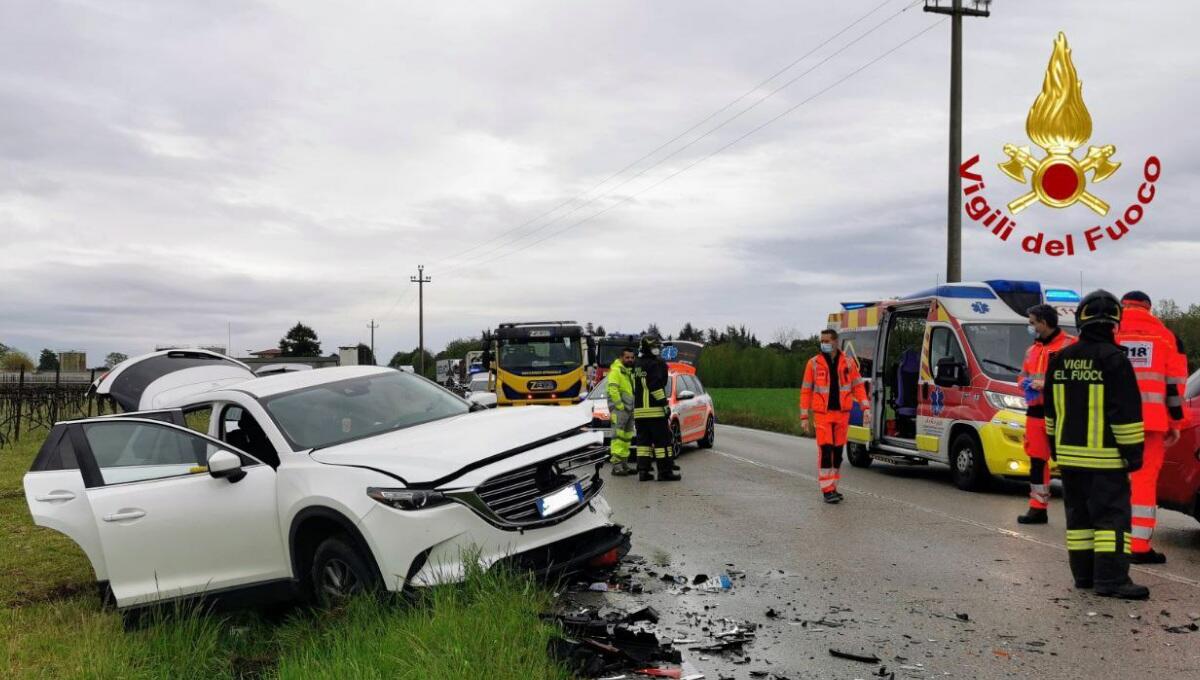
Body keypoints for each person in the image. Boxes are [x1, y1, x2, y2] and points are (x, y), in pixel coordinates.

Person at [1044, 290, 1148, 599]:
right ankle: (1112, 581)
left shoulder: (1060, 358)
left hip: (1069, 458)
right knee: (1111, 521)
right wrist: (1134, 455)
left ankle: (1085, 577)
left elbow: (1050, 412)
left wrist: (1054, 449)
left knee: (1079, 520)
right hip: (1105, 459)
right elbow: (1125, 414)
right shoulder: (1115, 360)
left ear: (1081, 321)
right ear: (1115, 322)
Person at [1116, 291, 1192, 563]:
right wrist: (1176, 422)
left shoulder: (1107, 332)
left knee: (1108, 481)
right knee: (1143, 482)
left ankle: (1106, 543)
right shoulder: (1167, 338)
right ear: (1149, 308)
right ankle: (1137, 545)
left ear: (1122, 305)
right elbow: (1175, 387)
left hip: (1108, 423)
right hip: (1150, 424)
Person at [1017, 304, 1076, 524]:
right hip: (1035, 411)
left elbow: (1078, 379)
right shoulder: (1032, 350)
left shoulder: (1071, 345)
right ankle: (1037, 507)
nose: (1030, 326)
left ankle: (1076, 510)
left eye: (1032, 322)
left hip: (1062, 412)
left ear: (1044, 322)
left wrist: (1047, 384)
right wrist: (1026, 384)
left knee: (1069, 462)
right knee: (1037, 461)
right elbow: (1021, 375)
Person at [800, 329, 869, 504]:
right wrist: (804, 417)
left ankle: (834, 486)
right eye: (822, 340)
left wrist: (865, 407)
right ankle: (827, 489)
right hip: (822, 414)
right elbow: (806, 390)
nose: (823, 343)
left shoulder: (848, 362)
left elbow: (858, 386)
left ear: (835, 342)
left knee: (837, 453)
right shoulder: (813, 363)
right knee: (826, 450)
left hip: (842, 414)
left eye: (826, 340)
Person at [632, 336, 680, 482]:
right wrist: (664, 405)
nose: (657, 349)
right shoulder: (656, 364)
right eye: (655, 346)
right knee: (662, 443)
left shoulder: (637, 364)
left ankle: (643, 471)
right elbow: (656, 386)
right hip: (654, 411)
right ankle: (665, 472)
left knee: (643, 443)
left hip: (640, 411)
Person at [606, 347, 637, 476]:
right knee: (618, 437)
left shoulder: (627, 371)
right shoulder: (616, 370)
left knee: (626, 437)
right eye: (627, 357)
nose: (630, 360)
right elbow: (613, 389)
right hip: (621, 410)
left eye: (632, 357)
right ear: (621, 357)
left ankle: (624, 464)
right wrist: (619, 406)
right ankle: (616, 466)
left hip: (628, 409)